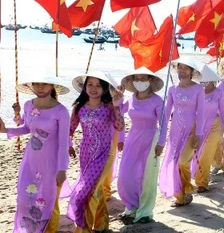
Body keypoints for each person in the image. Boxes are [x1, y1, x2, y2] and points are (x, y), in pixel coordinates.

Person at [0, 73, 70, 233]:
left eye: (44, 83)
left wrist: (62, 169)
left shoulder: (61, 112)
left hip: (50, 164)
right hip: (30, 162)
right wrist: (5, 130)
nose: (40, 87)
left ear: (52, 86)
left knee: (45, 201)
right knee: (24, 199)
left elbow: (63, 142)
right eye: (36, 83)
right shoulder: (28, 105)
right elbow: (26, 128)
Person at [66, 71, 125, 233]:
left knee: (86, 190)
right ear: (84, 87)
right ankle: (102, 224)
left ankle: (83, 228)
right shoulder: (79, 108)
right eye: (90, 84)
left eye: (98, 85)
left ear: (104, 89)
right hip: (85, 154)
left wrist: (117, 105)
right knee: (95, 189)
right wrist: (68, 145)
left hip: (105, 154)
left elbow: (120, 127)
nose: (93, 88)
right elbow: (69, 130)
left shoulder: (109, 107)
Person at [117, 67, 167, 224]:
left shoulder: (157, 101)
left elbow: (164, 123)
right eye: (136, 79)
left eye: (143, 79)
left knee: (146, 178)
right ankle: (131, 207)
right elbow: (118, 114)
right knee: (125, 176)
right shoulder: (131, 99)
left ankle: (145, 211)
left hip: (150, 140)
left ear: (150, 80)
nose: (140, 82)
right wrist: (120, 138)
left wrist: (161, 143)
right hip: (132, 139)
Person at [159, 58, 204, 207]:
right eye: (180, 68)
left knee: (182, 161)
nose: (182, 71)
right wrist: (159, 127)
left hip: (191, 132)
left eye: (186, 68)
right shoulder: (172, 89)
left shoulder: (198, 89)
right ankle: (180, 196)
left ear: (192, 72)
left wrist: (198, 134)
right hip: (175, 133)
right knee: (173, 163)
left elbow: (201, 113)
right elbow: (166, 112)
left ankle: (187, 188)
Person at [191, 64, 224, 193]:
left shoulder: (219, 93)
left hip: (214, 125)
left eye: (206, 81)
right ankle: (198, 174)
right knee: (197, 153)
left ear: (212, 81)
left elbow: (223, 112)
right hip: (198, 126)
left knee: (206, 154)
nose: (203, 84)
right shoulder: (195, 92)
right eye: (201, 82)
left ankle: (202, 183)